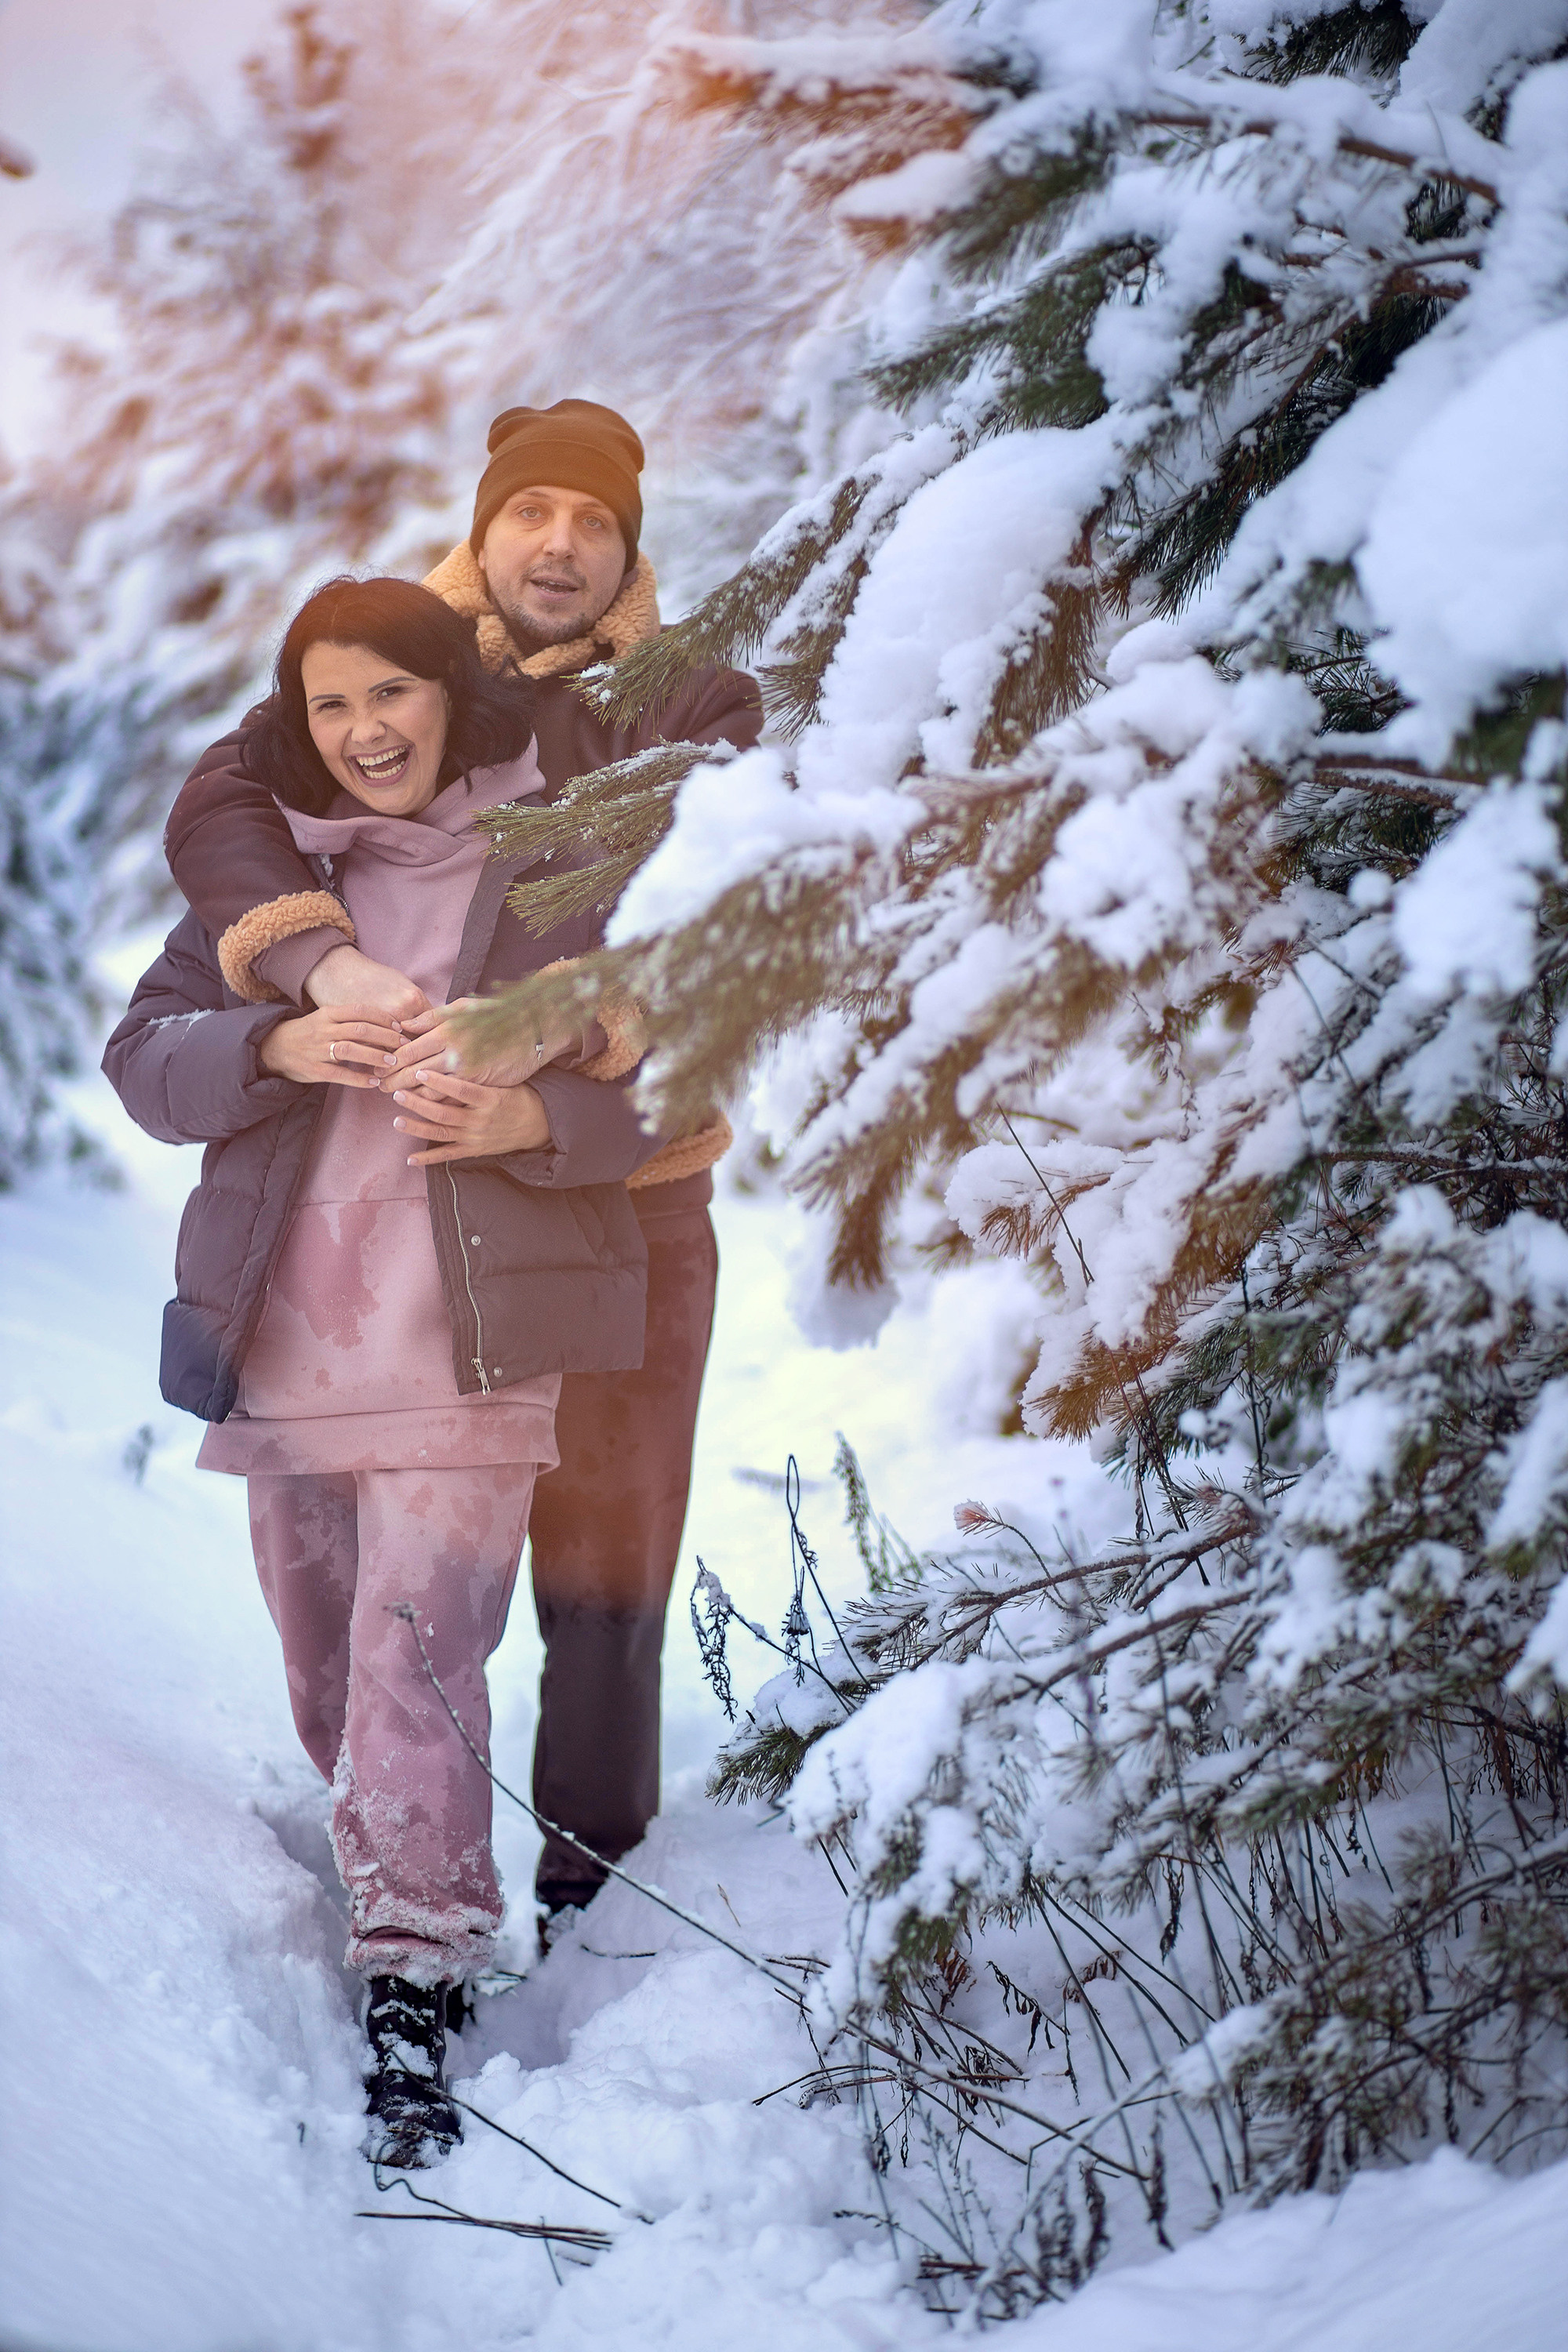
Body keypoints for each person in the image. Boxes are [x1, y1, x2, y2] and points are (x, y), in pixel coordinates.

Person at [159, 400, 760, 1926]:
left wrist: (556, 1064)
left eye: (593, 522)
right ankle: (412, 1846)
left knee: (603, 1566)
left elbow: (719, 939)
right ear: (483, 529)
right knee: (407, 1585)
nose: (557, 544)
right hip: (426, 1216)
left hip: (629, 1189)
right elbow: (230, 802)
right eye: (529, 514)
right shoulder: (403, 675)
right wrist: (308, 966)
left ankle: (591, 1875)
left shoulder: (693, 707)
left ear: (629, 549)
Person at [103, 576, 669, 2171]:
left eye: (392, 696)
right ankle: (383, 1875)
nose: (363, 732)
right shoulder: (278, 885)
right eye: (331, 703)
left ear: (450, 698)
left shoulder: (555, 866)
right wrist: (273, 1046)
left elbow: (670, 1091)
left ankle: (415, 1977)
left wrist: (531, 1121)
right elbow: (144, 1062)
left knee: (417, 1653)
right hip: (287, 1338)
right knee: (326, 1660)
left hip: (472, 1346)